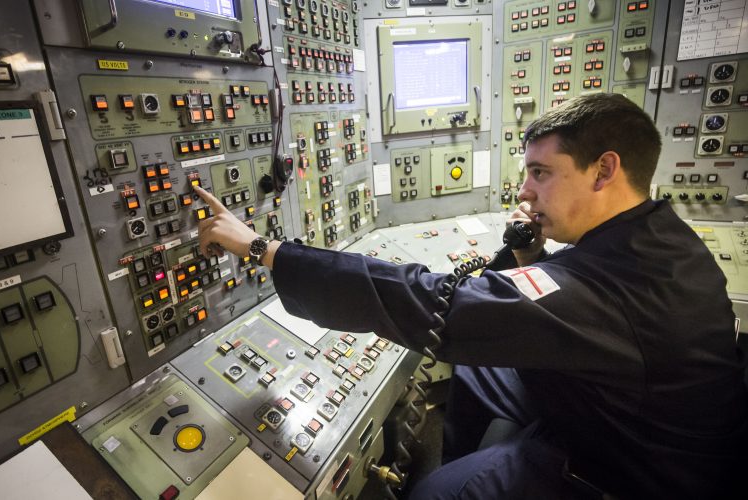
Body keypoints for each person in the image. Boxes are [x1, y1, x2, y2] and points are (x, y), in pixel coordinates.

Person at [193, 93, 747, 499]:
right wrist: (529, 250)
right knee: (482, 369)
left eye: (540, 173)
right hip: (624, 413)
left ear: (604, 170)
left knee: (435, 495)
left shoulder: (615, 287)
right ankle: (475, 461)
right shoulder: (655, 238)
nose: (524, 190)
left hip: (623, 471)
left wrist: (265, 249)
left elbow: (436, 306)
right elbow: (566, 305)